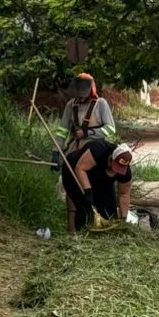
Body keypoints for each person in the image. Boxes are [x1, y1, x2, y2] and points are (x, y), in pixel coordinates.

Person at [57, 73, 116, 232]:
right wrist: (56, 152)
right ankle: (73, 230)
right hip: (73, 154)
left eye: (84, 95)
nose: (81, 98)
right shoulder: (71, 105)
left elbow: (110, 129)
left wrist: (89, 133)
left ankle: (100, 223)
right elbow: (62, 131)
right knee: (72, 191)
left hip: (94, 157)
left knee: (93, 192)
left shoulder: (101, 104)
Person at [66, 140, 134, 233]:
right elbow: (80, 168)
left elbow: (124, 193)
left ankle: (102, 234)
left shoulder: (125, 172)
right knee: (84, 209)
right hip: (77, 170)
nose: (116, 172)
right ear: (111, 158)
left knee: (109, 214)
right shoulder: (98, 150)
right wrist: (88, 192)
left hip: (100, 179)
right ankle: (76, 233)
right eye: (115, 167)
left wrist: (124, 218)